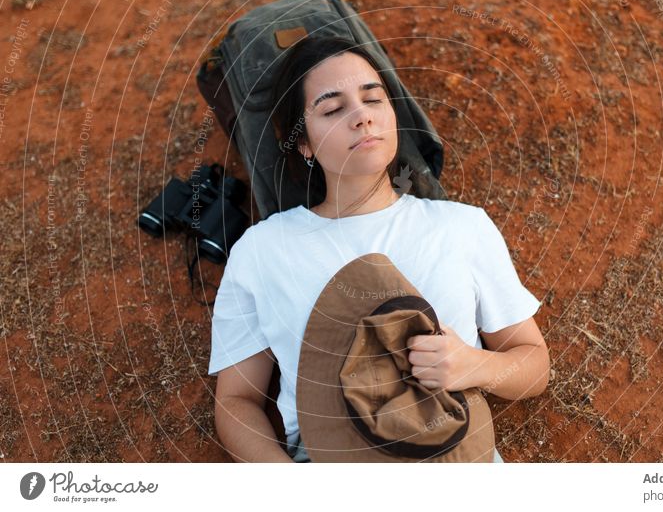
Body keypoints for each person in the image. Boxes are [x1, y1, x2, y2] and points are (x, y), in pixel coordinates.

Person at [208, 36, 550, 463]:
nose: (362, 118)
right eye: (333, 109)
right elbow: (237, 399)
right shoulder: (263, 250)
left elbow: (534, 363)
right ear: (303, 144)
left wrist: (471, 365)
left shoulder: (461, 226)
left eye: (373, 99)